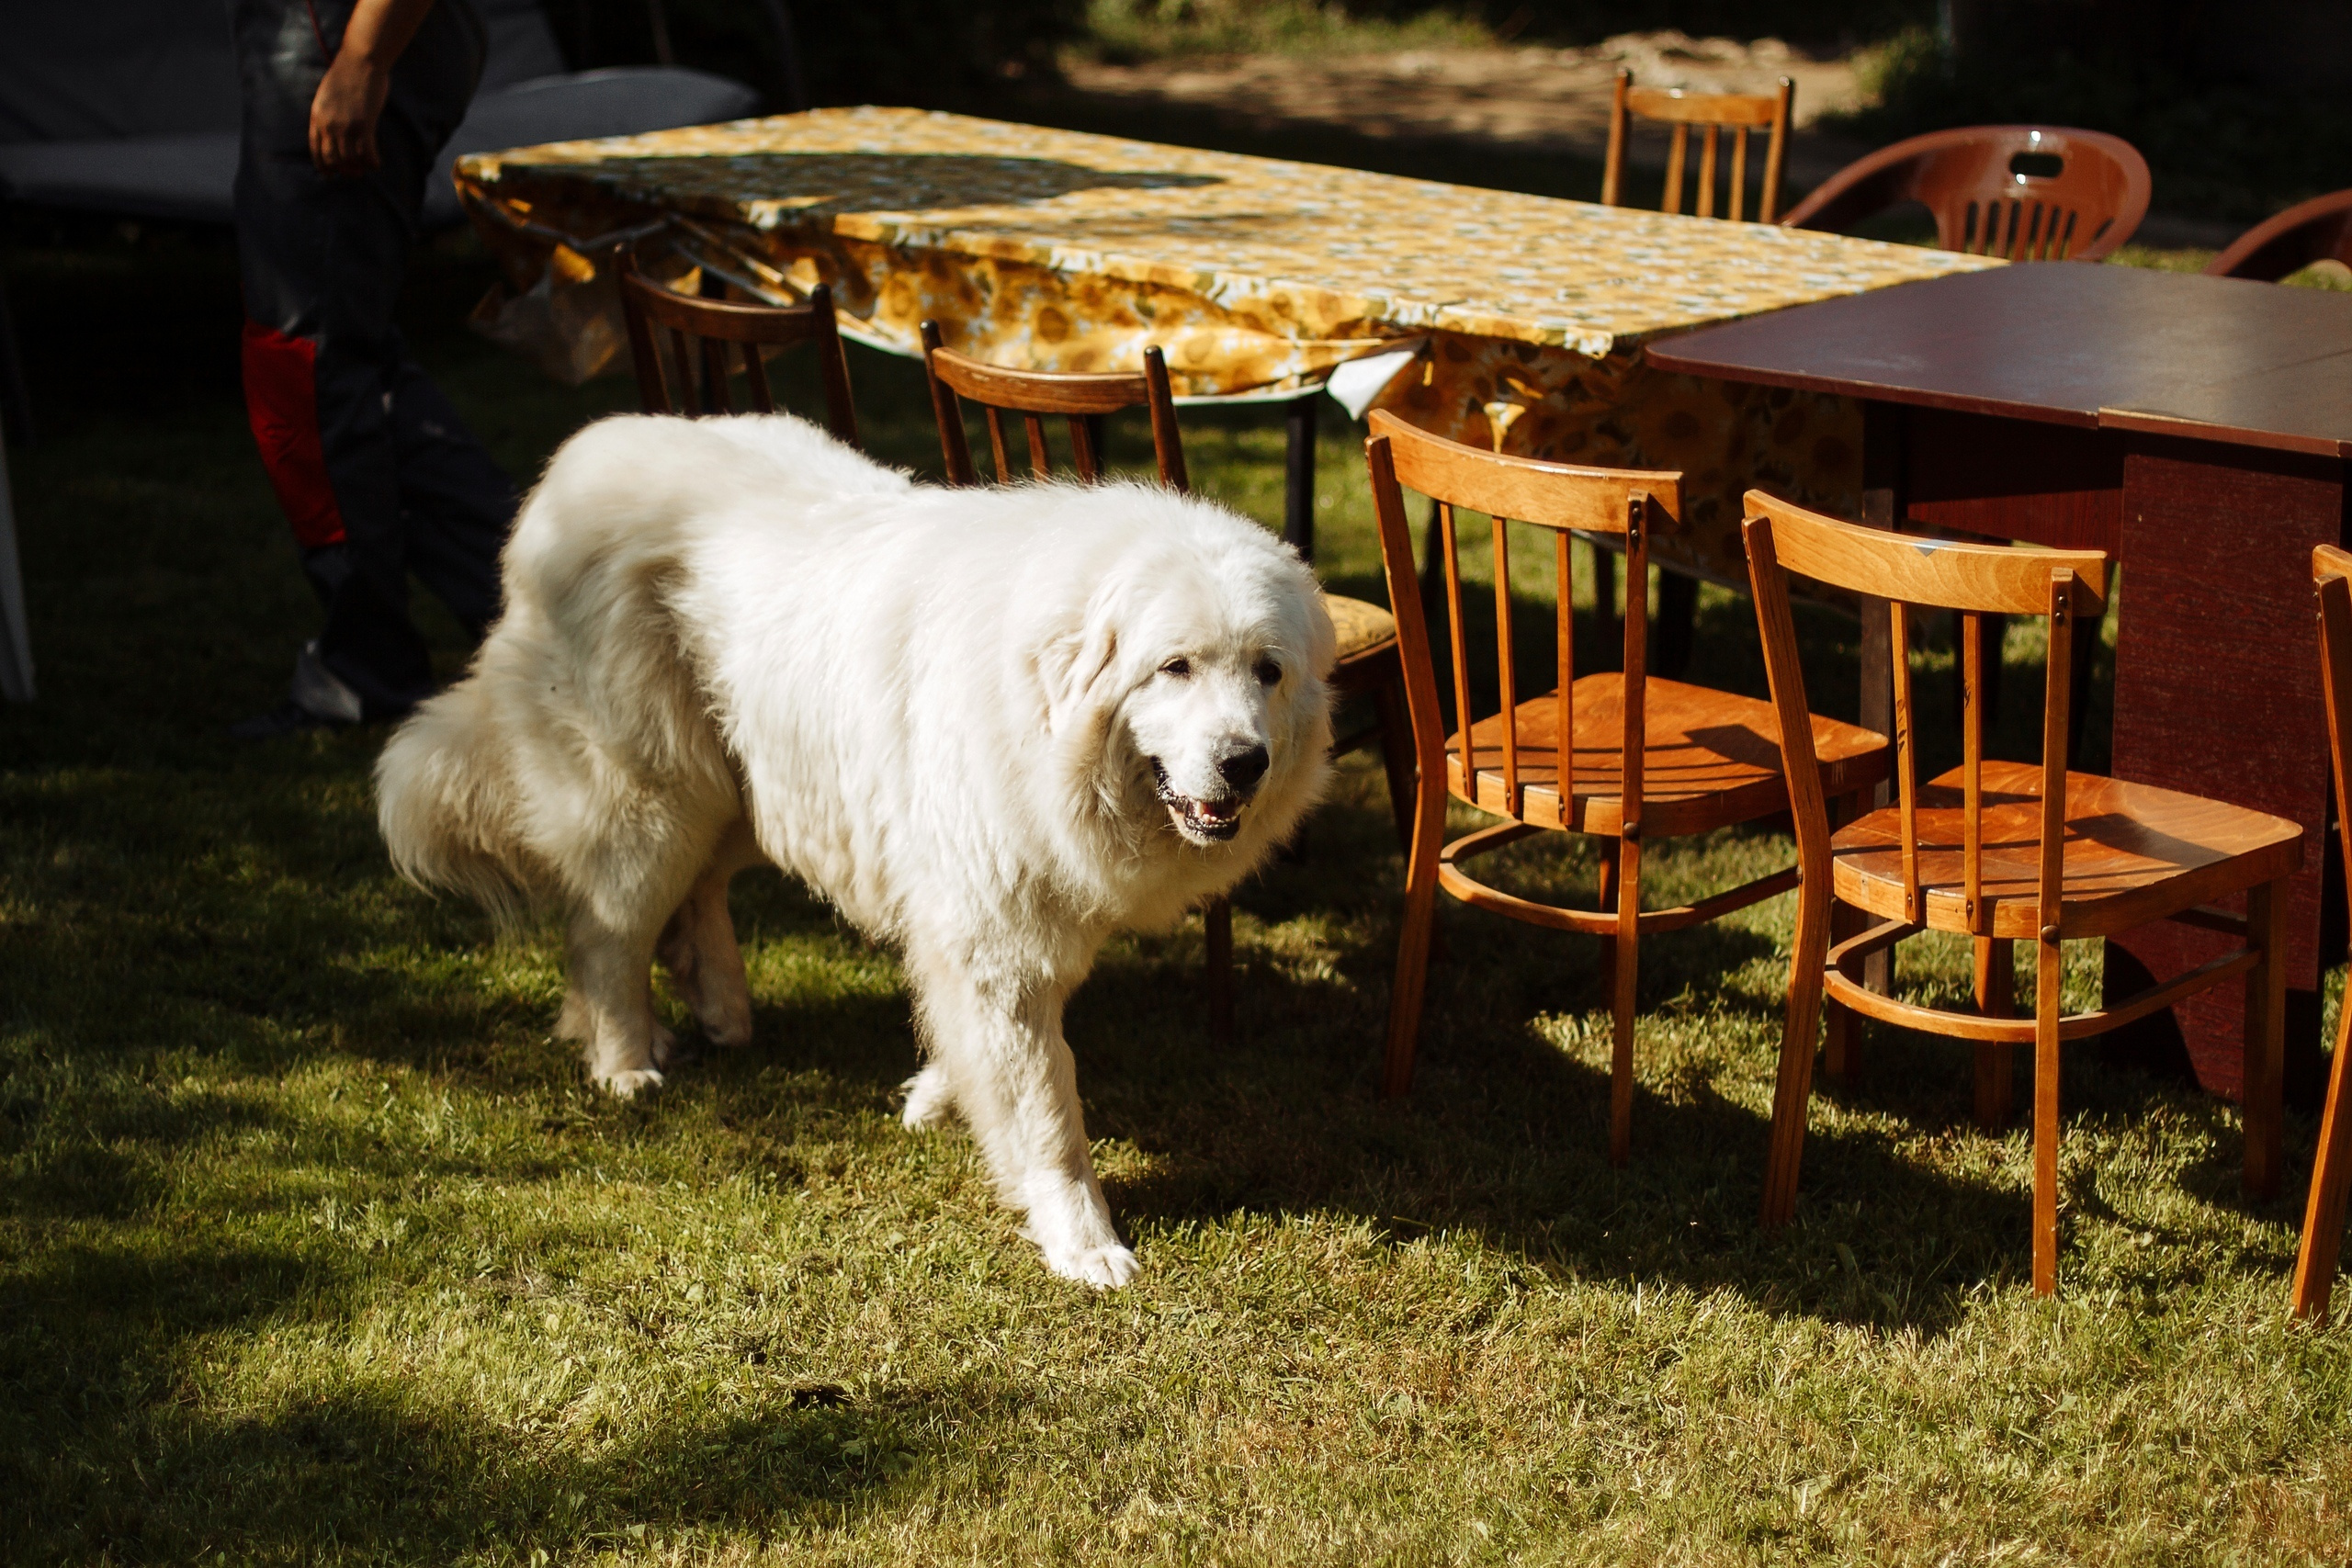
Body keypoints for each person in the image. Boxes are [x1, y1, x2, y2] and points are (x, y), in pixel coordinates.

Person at [229, 0, 516, 738]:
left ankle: (366, 670)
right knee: (348, 359)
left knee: (305, 365)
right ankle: (539, 606)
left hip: (345, 35)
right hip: (340, 37)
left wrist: (363, 59)